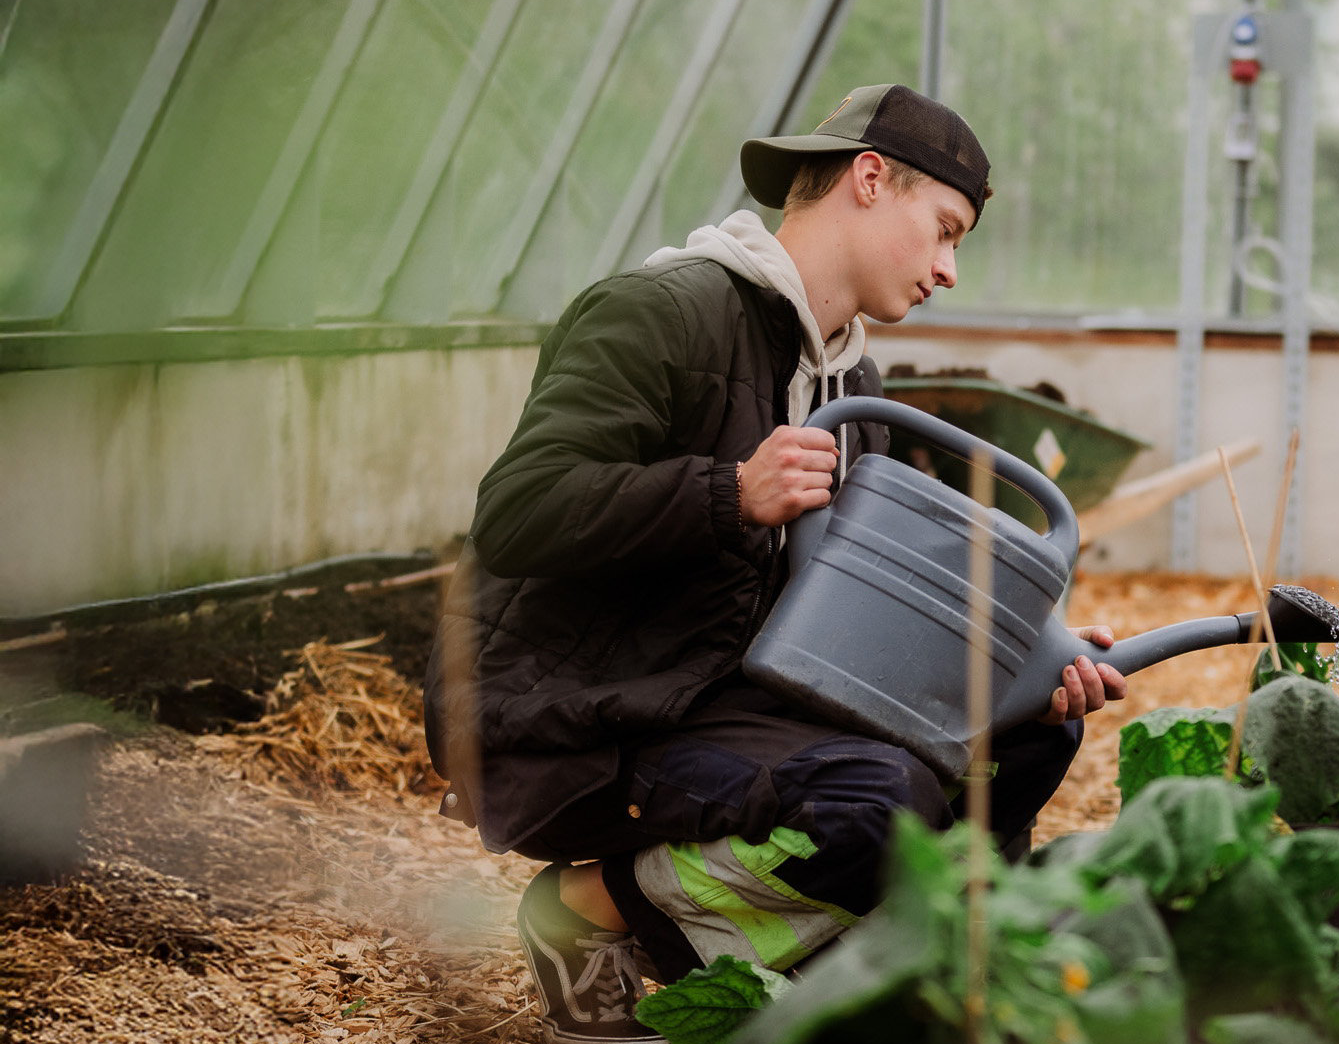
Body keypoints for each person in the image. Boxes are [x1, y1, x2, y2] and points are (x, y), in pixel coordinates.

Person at [421, 84, 1128, 1044]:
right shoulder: (659, 313)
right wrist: (731, 492)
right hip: (575, 708)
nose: (949, 269)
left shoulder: (852, 383)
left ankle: (875, 977)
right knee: (878, 802)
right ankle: (589, 909)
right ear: (870, 179)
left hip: (722, 694)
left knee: (1019, 739)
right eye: (945, 230)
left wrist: (1021, 667)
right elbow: (518, 510)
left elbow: (858, 608)